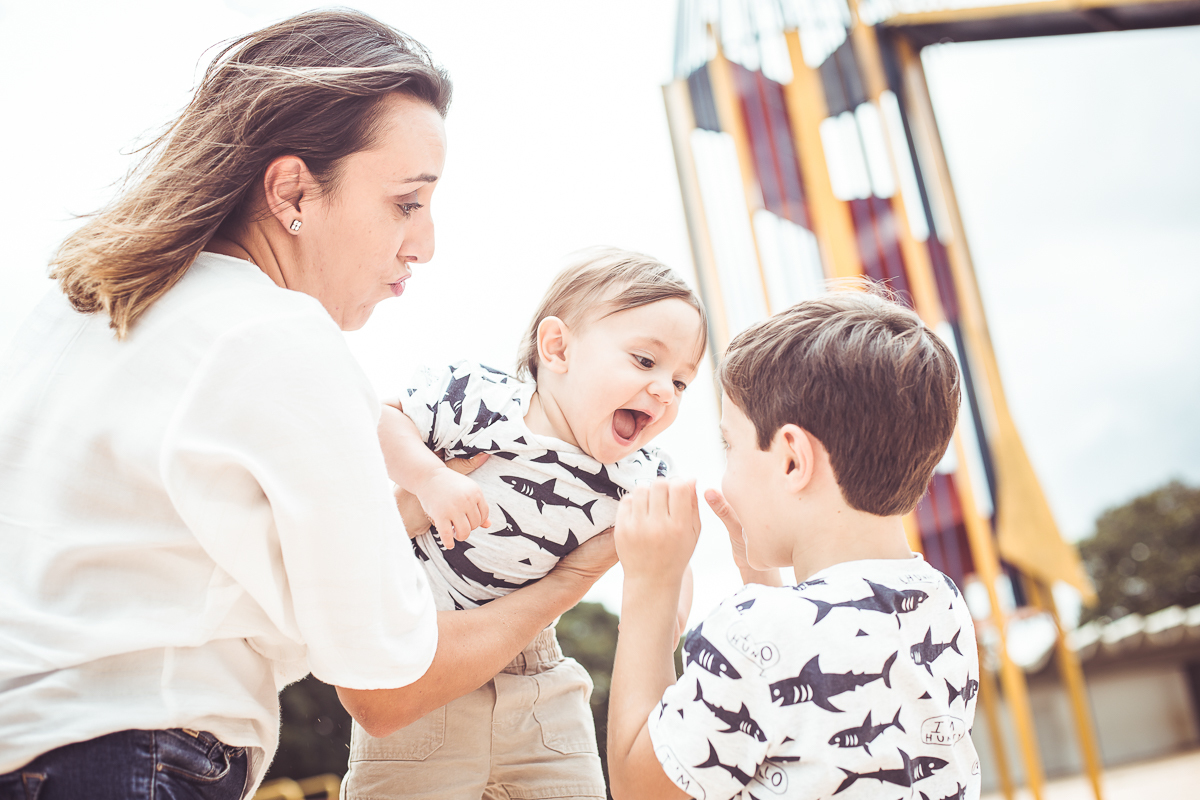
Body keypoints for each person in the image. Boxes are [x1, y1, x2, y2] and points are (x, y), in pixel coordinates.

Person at [0, 11, 616, 800]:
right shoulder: (278, 336)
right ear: (293, 188)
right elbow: (386, 677)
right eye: (406, 203)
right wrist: (575, 575)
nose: (425, 243)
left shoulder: (76, 307)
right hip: (132, 762)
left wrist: (403, 507)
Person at [342, 248, 706, 799]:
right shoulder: (481, 400)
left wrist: (668, 619)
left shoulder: (637, 474)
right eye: (644, 361)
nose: (663, 391)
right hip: (425, 651)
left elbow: (669, 556)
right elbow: (384, 420)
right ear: (557, 348)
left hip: (537, 673)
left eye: (681, 382)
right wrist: (431, 481)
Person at [606, 291, 982, 800]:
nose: (726, 469)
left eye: (730, 446)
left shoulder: (753, 627)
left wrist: (651, 584)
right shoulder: (941, 602)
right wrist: (762, 579)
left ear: (791, 460)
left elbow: (640, 787)